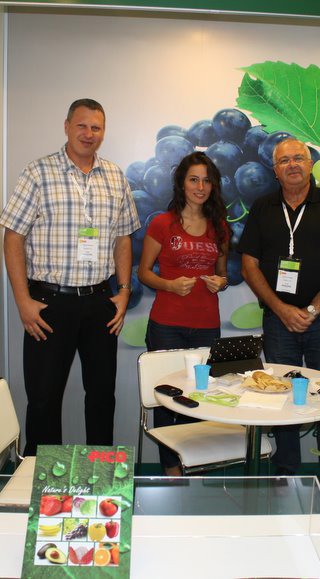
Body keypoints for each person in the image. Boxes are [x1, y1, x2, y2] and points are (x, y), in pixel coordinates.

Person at [0, 98, 140, 455]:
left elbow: (123, 238)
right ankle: (45, 481)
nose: (89, 134)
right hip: (49, 303)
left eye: (96, 127)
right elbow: (13, 237)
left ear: (103, 132)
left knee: (102, 395)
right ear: (66, 127)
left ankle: (99, 476)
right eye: (82, 126)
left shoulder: (115, 176)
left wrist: (124, 291)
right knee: (44, 398)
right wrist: (23, 301)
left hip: (99, 302)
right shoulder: (38, 173)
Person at [239, 139, 320, 512]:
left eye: (298, 158)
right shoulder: (262, 207)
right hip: (278, 322)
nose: (292, 165)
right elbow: (249, 265)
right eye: (284, 160)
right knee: (280, 396)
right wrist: (280, 309)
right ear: (274, 170)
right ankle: (286, 472)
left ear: (310, 164)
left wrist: (312, 308)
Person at [138, 151, 229, 476]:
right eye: (194, 180)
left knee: (201, 397)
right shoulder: (163, 223)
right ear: (182, 183)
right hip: (167, 325)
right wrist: (169, 285)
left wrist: (220, 282)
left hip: (206, 325)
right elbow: (143, 272)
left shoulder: (219, 227)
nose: (200, 187)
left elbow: (222, 274)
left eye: (206, 181)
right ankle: (171, 468)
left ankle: (195, 463)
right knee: (168, 398)